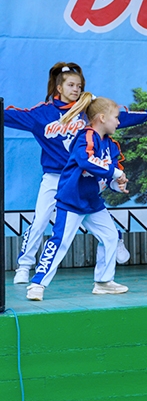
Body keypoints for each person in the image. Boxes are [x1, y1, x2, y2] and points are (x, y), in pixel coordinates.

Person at [5, 62, 147, 284]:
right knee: (40, 220)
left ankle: (113, 239)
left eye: (79, 85)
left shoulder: (87, 109)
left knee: (92, 214)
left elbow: (117, 117)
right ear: (59, 88)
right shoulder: (42, 114)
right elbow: (10, 116)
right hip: (54, 178)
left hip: (82, 179)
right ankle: (24, 266)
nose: (76, 89)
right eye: (71, 85)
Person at [26, 93, 130, 301]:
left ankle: (103, 282)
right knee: (60, 242)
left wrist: (117, 185)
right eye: (116, 117)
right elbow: (86, 160)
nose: (119, 122)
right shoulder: (86, 136)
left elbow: (108, 174)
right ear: (101, 118)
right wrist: (115, 173)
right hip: (72, 200)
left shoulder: (111, 145)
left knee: (110, 236)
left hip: (93, 202)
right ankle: (37, 284)